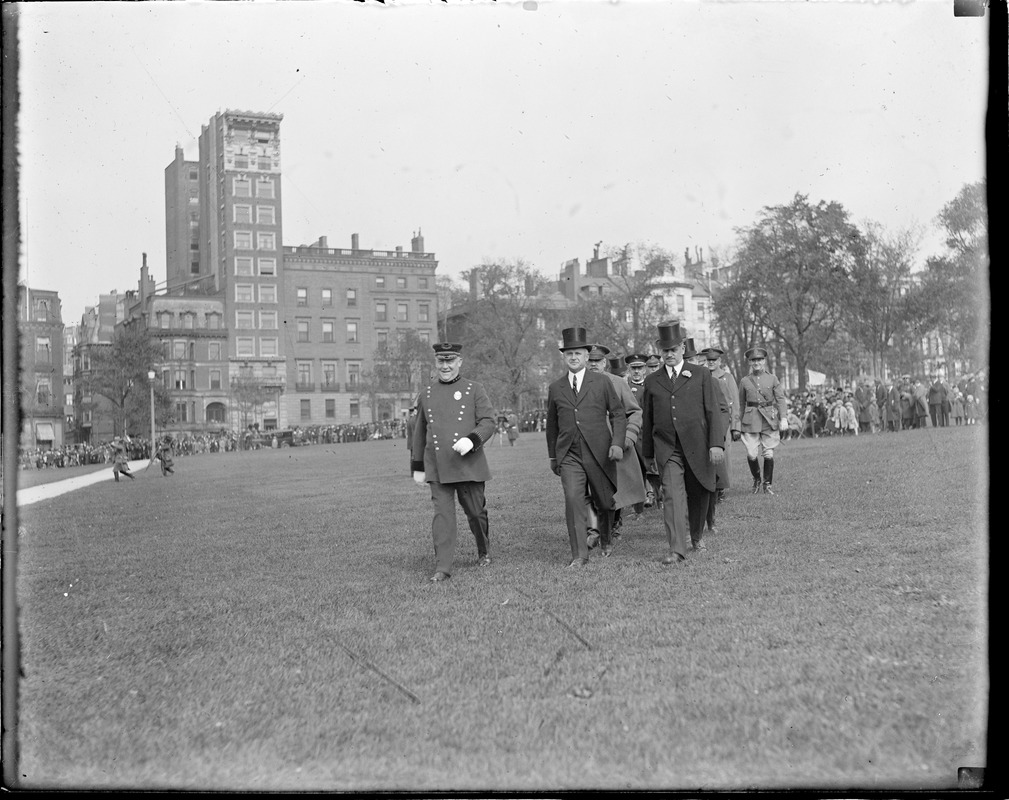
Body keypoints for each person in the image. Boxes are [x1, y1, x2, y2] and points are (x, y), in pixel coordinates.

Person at [411, 342, 498, 583]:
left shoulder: (474, 389)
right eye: (441, 361)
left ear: (460, 362)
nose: (445, 366)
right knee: (443, 516)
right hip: (438, 466)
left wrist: (473, 439)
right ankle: (443, 567)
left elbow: (488, 421)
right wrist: (418, 466)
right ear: (436, 363)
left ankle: (484, 550)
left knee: (475, 513)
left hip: (468, 464)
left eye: (450, 361)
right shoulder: (427, 394)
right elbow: (419, 432)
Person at [640, 322, 725, 565]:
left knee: (699, 492)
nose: (669, 354)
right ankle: (677, 549)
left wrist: (716, 444)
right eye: (664, 350)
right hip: (668, 449)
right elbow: (648, 418)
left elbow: (713, 412)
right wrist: (647, 454)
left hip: (698, 446)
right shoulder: (653, 381)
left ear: (682, 348)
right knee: (672, 496)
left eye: (673, 349)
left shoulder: (700, 375)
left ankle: (696, 536)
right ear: (659, 351)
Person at [546, 328, 627, 567]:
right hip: (569, 454)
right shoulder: (555, 388)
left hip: (600, 453)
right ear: (564, 357)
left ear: (585, 356)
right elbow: (552, 426)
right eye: (569, 353)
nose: (573, 358)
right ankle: (579, 554)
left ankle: (606, 537)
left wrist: (617, 443)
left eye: (578, 353)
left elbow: (618, 414)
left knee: (604, 501)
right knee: (573, 500)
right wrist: (553, 457)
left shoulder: (602, 382)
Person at [584, 344, 647, 545]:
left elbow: (634, 412)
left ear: (605, 363)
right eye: (591, 361)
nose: (594, 365)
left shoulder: (618, 382)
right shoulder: (577, 383)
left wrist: (629, 435)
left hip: (615, 445)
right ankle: (593, 531)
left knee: (615, 489)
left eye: (598, 361)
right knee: (588, 489)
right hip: (586, 445)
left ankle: (614, 525)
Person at [732, 346, 788, 494]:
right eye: (753, 360)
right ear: (750, 362)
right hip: (750, 421)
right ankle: (756, 479)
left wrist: (784, 418)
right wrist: (737, 425)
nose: (757, 362)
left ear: (764, 361)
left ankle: (767, 484)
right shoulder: (744, 381)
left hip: (769, 420)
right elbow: (740, 404)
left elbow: (780, 399)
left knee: (768, 453)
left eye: (759, 359)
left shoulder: (772, 378)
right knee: (751, 453)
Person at [702, 345, 739, 507]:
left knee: (724, 455)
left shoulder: (727, 377)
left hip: (723, 421)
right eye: (708, 360)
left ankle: (722, 487)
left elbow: (734, 403)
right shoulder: (702, 376)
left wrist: (735, 426)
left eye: (714, 360)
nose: (711, 363)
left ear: (719, 361)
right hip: (706, 422)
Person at [625, 352, 662, 511]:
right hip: (632, 434)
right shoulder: (624, 387)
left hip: (648, 434)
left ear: (645, 369)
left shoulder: (651, 385)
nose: (637, 371)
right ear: (629, 369)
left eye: (640, 368)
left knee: (653, 470)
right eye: (634, 368)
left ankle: (659, 498)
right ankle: (638, 509)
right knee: (635, 472)